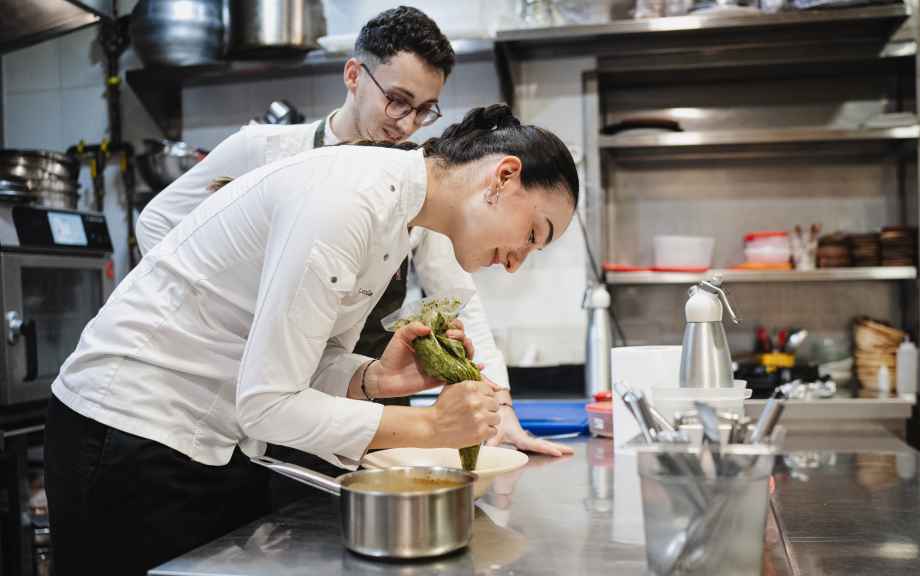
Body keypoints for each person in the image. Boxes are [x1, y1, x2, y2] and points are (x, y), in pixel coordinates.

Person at [45, 104, 579, 574]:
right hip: (124, 430)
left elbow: (308, 360)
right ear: (503, 177)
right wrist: (430, 426)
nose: (515, 263)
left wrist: (375, 378)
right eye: (533, 234)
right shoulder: (346, 202)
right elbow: (268, 404)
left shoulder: (399, 214)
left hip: (206, 440)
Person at [136, 5, 571, 458]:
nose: (406, 123)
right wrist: (244, 321)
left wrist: (497, 408)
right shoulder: (279, 156)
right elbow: (159, 225)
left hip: (347, 389)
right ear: (353, 75)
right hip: (252, 402)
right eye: (398, 100)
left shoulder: (417, 193)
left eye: (423, 111)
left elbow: (463, 301)